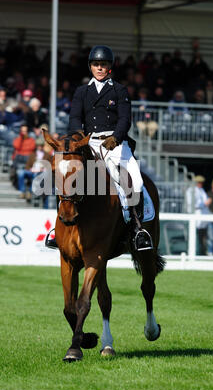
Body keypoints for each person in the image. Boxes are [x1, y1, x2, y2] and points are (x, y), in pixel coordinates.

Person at [46, 45, 152, 251]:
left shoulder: (119, 90)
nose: (100, 68)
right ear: (91, 67)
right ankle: (57, 228)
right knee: (65, 178)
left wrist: (115, 137)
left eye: (103, 65)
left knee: (135, 182)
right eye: (96, 64)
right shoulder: (82, 92)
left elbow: (124, 119)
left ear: (109, 67)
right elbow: (75, 118)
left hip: (115, 143)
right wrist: (78, 140)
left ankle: (138, 230)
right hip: (87, 143)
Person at [185, 175, 209, 255]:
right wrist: (204, 204)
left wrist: (205, 204)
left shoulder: (202, 190)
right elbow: (192, 204)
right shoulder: (190, 190)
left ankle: (202, 252)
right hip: (195, 214)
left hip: (203, 216)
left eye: (201, 182)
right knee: (194, 235)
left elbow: (206, 201)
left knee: (202, 235)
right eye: (199, 182)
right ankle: (193, 252)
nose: (201, 184)